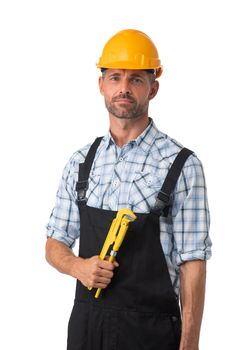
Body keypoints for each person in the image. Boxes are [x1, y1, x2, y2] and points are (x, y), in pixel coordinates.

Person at [45, 29, 212, 350]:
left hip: (152, 330)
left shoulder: (182, 165)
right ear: (101, 85)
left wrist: (190, 344)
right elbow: (55, 243)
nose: (124, 88)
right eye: (115, 77)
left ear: (154, 88)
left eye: (136, 79)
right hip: (87, 328)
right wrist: (78, 267)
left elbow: (193, 261)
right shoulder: (81, 162)